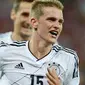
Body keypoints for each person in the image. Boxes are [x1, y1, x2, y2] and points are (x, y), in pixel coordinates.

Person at [0, 0, 80, 85]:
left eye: (60, 22)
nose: (57, 25)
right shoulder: (4, 51)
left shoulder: (68, 58)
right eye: (51, 19)